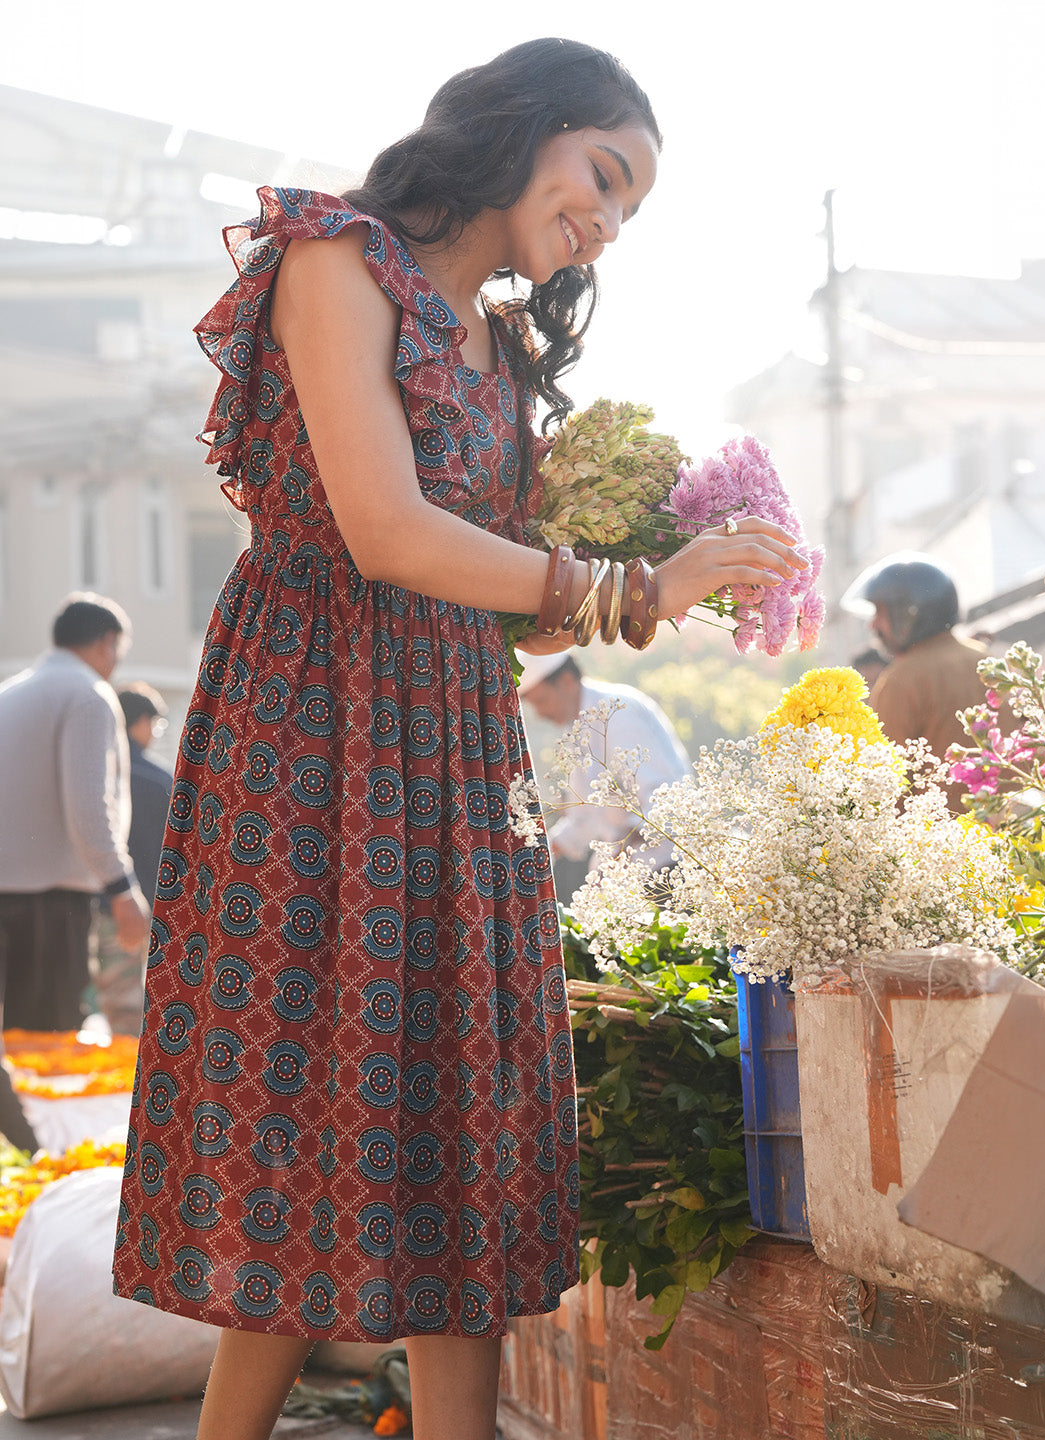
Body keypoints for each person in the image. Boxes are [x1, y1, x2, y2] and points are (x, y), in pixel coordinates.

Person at [110, 40, 806, 1440]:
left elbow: (497, 611)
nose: (608, 221)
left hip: (453, 735)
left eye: (632, 206)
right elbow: (383, 533)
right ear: (523, 128)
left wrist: (675, 578)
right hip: (306, 730)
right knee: (300, 1099)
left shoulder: (502, 344)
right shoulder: (338, 261)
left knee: (452, 1116)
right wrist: (626, 589)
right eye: (604, 173)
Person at [0, 593, 150, 1034]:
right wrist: (122, 889)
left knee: (12, 1043)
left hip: (11, 890)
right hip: (49, 903)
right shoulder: (88, 695)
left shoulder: (11, 691)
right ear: (108, 642)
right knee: (46, 1041)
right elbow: (89, 805)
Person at [517, 652, 691, 905]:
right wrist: (532, 856)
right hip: (633, 881)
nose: (540, 713)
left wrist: (618, 856)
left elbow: (664, 801)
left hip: (670, 871)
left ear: (566, 681)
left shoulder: (618, 712)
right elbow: (584, 817)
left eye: (541, 701)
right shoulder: (578, 729)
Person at [844, 553, 988, 811]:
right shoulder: (987, 659)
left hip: (943, 831)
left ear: (908, 614)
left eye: (879, 612)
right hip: (1015, 825)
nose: (872, 624)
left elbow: (886, 787)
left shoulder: (901, 680)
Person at [90, 683, 172, 1036]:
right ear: (140, 722)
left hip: (98, 902)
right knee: (137, 1012)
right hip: (150, 906)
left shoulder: (97, 773)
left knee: (105, 1003)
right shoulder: (162, 780)